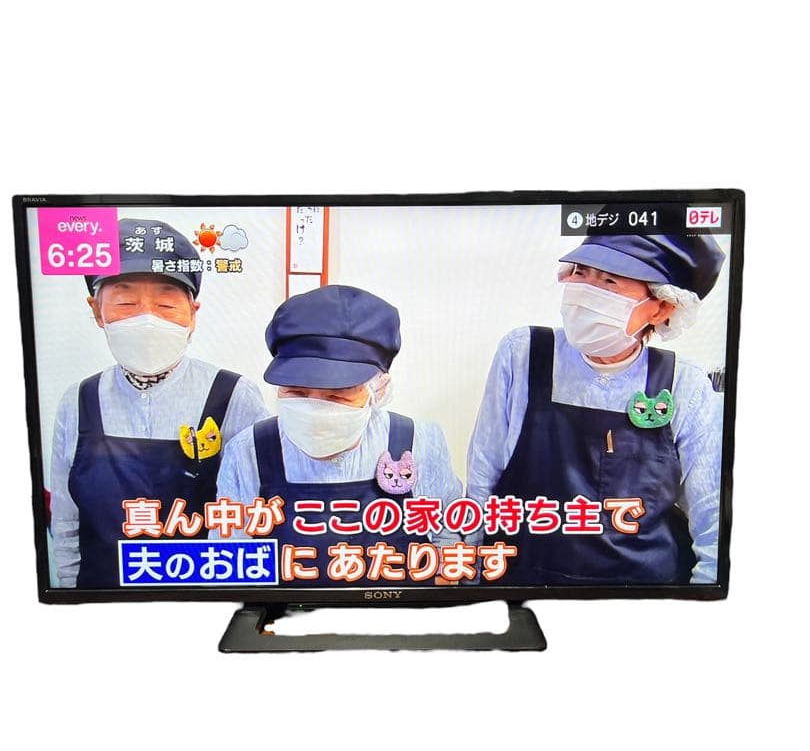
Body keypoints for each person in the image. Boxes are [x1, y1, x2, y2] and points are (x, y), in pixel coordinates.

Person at [467, 233, 726, 586]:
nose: (586, 289)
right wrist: (470, 575)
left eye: (609, 281)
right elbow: (483, 475)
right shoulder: (522, 353)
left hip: (639, 593)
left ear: (662, 307)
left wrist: (702, 601)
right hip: (524, 582)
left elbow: (712, 516)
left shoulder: (684, 384)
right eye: (580, 272)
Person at [50, 218, 268, 588]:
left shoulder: (234, 397)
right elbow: (67, 521)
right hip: (101, 600)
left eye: (166, 303)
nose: (147, 319)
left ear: (193, 315)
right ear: (97, 310)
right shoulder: (78, 401)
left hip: (202, 599)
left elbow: (254, 521)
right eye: (126, 302)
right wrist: (72, 596)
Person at [216, 284, 463, 585]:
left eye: (337, 395)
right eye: (296, 392)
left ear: (379, 389)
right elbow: (229, 560)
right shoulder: (249, 451)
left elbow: (450, 541)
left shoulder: (419, 442)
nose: (315, 410)